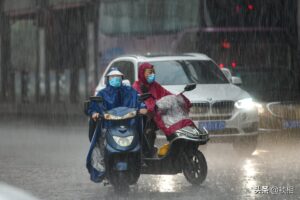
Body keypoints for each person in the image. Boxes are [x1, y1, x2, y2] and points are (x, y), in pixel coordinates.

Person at [86, 68, 147, 183]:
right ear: (108, 79)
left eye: (118, 78)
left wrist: (143, 107)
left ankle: (141, 157)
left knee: (141, 137)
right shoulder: (102, 93)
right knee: (101, 142)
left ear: (122, 79)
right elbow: (94, 106)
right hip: (109, 126)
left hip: (129, 124)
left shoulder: (130, 91)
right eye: (112, 78)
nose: (115, 80)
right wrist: (94, 113)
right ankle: (102, 163)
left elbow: (139, 101)